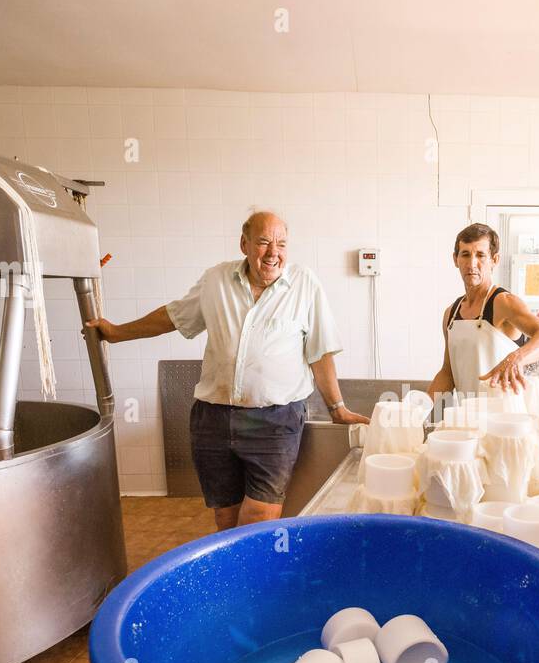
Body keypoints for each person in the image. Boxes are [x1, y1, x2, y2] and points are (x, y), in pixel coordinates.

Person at [83, 211, 368, 532]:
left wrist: (337, 408)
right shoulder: (216, 280)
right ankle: (237, 578)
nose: (273, 252)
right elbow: (173, 317)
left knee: (260, 515)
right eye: (263, 242)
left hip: (275, 420)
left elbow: (320, 352)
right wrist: (118, 332)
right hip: (213, 419)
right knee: (226, 516)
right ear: (244, 244)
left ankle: (254, 578)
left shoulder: (305, 284)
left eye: (281, 244)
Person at [427, 223, 539, 399]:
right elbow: (448, 373)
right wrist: (417, 410)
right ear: (455, 259)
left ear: (494, 260)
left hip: (505, 417)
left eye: (480, 255)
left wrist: (516, 358)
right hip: (468, 415)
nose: (472, 264)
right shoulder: (451, 314)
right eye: (465, 254)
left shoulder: (503, 302)